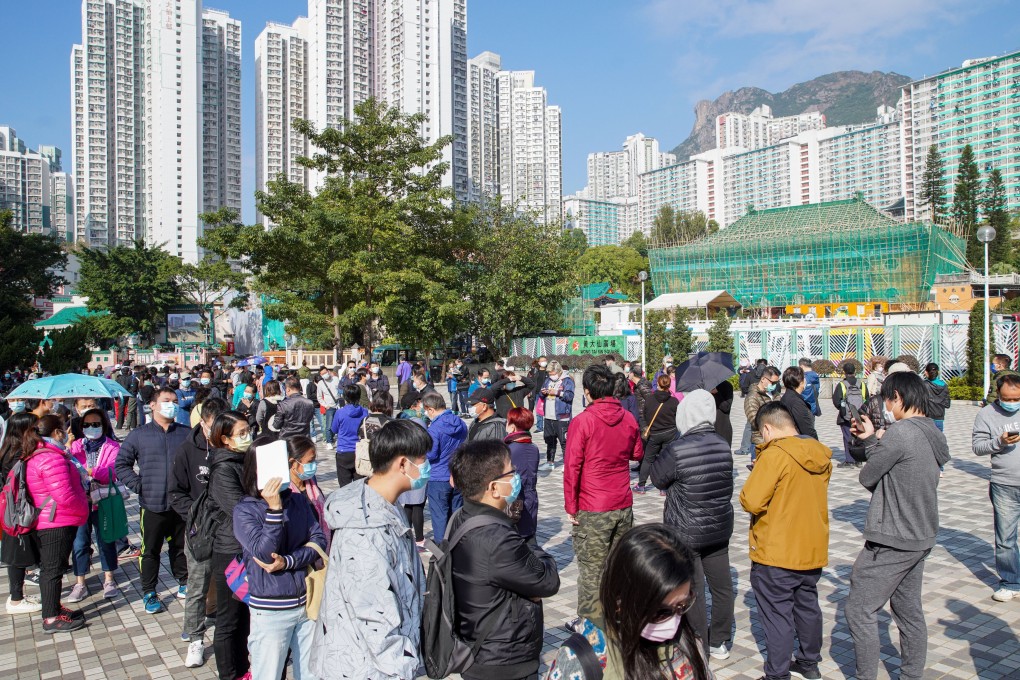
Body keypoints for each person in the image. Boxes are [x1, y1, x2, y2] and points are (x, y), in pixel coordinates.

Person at [848, 372, 951, 680]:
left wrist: (872, 442)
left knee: (859, 610)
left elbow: (869, 477)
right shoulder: (932, 431)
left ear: (899, 399)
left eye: (887, 400)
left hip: (893, 535)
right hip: (920, 534)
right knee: (908, 613)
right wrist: (870, 439)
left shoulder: (901, 432)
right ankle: (911, 675)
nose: (885, 407)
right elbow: (891, 470)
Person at [310, 420, 429, 679]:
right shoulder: (365, 528)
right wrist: (402, 668)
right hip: (366, 666)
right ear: (402, 464)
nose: (426, 466)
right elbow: (373, 614)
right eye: (422, 459)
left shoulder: (383, 504)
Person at [447, 439, 561, 680]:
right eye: (512, 471)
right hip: (502, 661)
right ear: (494, 488)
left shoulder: (461, 516)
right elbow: (547, 581)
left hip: (477, 646)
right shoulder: (497, 539)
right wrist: (536, 551)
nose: (516, 476)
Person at [544, 523, 711, 680]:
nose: (674, 621)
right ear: (620, 602)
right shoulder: (582, 659)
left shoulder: (688, 640)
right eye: (660, 612)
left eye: (683, 605)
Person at [740, 402, 832, 680]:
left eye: (762, 434)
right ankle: (808, 662)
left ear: (767, 428)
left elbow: (751, 501)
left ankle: (777, 674)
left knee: (777, 615)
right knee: (807, 606)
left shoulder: (775, 456)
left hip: (777, 550)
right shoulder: (819, 453)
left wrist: (759, 471)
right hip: (811, 546)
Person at [650, 389, 735, 661]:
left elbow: (657, 478)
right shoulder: (723, 445)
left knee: (693, 589)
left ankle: (698, 641)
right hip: (719, 526)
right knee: (722, 587)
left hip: (686, 529)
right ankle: (719, 640)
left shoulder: (678, 448)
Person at [233, 446, 327, 680]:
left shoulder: (297, 500)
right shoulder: (245, 510)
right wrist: (274, 510)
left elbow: (318, 540)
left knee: (310, 673)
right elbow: (265, 554)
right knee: (268, 674)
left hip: (307, 603)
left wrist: (288, 561)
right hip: (271, 608)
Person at [564, 364, 644, 625]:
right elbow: (636, 454)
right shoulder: (629, 418)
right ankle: (617, 616)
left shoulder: (583, 421)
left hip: (593, 504)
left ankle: (589, 623)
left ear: (587, 392)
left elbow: (572, 466)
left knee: (591, 568)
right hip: (622, 502)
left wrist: (571, 506)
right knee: (618, 565)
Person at [115, 387, 190, 614]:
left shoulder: (187, 433)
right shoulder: (139, 435)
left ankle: (184, 582)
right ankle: (149, 591)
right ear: (153, 405)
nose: (172, 405)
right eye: (167, 400)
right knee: (150, 551)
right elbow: (122, 465)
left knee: (181, 547)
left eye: (175, 401)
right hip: (153, 504)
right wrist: (140, 486)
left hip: (181, 504)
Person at [169, 396, 227, 667]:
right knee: (197, 585)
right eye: (213, 428)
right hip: (199, 531)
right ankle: (194, 637)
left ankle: (223, 623)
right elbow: (175, 492)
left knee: (229, 583)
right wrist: (195, 516)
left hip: (228, 530)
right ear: (202, 423)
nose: (218, 434)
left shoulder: (234, 446)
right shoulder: (187, 451)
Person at [23, 415, 90, 632]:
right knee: (52, 570)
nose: (65, 432)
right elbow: (64, 495)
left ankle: (54, 607)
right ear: (56, 433)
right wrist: (84, 506)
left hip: (55, 518)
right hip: (56, 520)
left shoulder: (46, 453)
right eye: (63, 428)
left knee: (55, 568)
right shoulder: (51, 458)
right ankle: (51, 618)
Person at [206, 411, 253, 680]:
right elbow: (240, 508)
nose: (248, 436)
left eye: (248, 430)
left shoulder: (243, 460)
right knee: (228, 619)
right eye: (242, 433)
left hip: (245, 547)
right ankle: (230, 673)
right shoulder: (223, 468)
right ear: (225, 439)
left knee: (244, 617)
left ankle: (243, 669)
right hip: (229, 551)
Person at [67, 408, 121, 603]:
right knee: (80, 542)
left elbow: (113, 472)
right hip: (80, 501)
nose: (92, 428)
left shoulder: (112, 446)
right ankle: (80, 582)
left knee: (105, 539)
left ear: (104, 425)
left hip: (103, 500)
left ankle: (109, 579)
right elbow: (66, 468)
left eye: (96, 424)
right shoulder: (74, 446)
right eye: (87, 424)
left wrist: (91, 471)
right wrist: (67, 446)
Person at [976, 372, 1020, 602]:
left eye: (1017, 399)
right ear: (998, 394)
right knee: (1005, 538)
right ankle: (1011, 581)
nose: (1012, 403)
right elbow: (978, 447)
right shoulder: (987, 414)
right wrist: (999, 442)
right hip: (1004, 483)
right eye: (1007, 398)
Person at [0, 413, 42, 615]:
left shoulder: (8, 450)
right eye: (34, 428)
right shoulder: (20, 455)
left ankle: (18, 596)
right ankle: (16, 600)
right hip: (20, 512)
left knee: (16, 554)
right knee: (18, 556)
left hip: (12, 511)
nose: (37, 431)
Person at [422, 392, 468, 541]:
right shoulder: (460, 423)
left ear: (430, 409)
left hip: (438, 476)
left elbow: (432, 454)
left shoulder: (434, 428)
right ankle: (458, 544)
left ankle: (442, 550)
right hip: (457, 474)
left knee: (439, 516)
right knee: (456, 514)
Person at [634, 374, 680, 495]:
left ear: (658, 384)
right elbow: (678, 419)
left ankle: (642, 485)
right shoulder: (674, 401)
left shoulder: (650, 400)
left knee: (648, 459)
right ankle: (663, 487)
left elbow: (644, 415)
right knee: (665, 460)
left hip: (654, 434)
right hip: (670, 433)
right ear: (669, 385)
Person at [286, 436, 331, 552]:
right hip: (298, 554)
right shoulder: (285, 493)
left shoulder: (313, 487)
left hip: (320, 551)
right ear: (293, 463)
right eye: (310, 461)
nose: (313, 465)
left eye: (314, 460)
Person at [504, 407, 540, 543]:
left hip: (514, 503)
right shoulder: (534, 448)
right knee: (530, 539)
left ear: (512, 427)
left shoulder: (509, 450)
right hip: (531, 498)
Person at [539, 361, 574, 471]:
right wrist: (543, 392)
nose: (551, 375)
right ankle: (550, 462)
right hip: (549, 416)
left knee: (564, 442)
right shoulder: (547, 380)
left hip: (562, 416)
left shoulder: (567, 381)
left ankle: (567, 464)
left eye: (553, 373)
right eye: (549, 373)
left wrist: (558, 392)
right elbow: (540, 394)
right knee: (549, 440)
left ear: (559, 372)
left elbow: (570, 396)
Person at [331, 384, 369, 488]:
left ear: (345, 396)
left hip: (343, 451)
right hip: (360, 452)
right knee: (359, 486)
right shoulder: (365, 412)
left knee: (344, 487)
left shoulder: (340, 413)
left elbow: (334, 429)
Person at [833, 360, 868, 468]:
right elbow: (867, 399)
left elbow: (836, 401)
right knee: (859, 436)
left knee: (848, 436)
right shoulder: (861, 384)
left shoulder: (842, 384)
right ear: (855, 371)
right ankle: (859, 460)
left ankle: (849, 460)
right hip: (859, 415)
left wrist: (843, 409)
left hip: (846, 416)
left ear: (844, 371)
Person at [745, 366, 781, 464]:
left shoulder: (775, 394)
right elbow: (754, 421)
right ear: (763, 379)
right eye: (772, 382)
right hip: (760, 443)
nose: (774, 385)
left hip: (776, 441)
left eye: (776, 383)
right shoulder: (753, 396)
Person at [779, 365, 818, 440]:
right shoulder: (795, 401)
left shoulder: (788, 396)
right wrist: (816, 445)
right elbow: (806, 428)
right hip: (799, 442)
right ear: (800, 382)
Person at [273, 376, 316, 442]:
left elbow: (276, 425)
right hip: (304, 439)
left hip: (287, 439)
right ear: (300, 387)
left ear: (288, 389)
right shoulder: (310, 403)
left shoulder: (283, 404)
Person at [316, 366, 341, 445]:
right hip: (329, 406)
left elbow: (340, 390)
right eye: (322, 374)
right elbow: (319, 397)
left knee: (339, 424)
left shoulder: (336, 379)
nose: (324, 375)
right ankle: (329, 441)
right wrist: (325, 405)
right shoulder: (321, 383)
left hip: (338, 405)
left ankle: (337, 439)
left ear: (328, 371)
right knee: (328, 426)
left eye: (325, 373)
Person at [924, 362, 950, 433]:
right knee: (938, 441)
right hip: (939, 418)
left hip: (927, 418)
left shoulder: (924, 385)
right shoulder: (944, 385)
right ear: (938, 372)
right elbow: (947, 404)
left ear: (926, 372)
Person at [628, 366, 653, 431]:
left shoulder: (642, 385)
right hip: (641, 415)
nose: (628, 374)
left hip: (644, 417)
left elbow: (650, 400)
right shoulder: (637, 385)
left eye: (629, 372)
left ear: (632, 373)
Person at [115, 365, 139, 430]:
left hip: (121, 395)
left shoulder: (118, 378)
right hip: (130, 394)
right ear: (128, 372)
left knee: (121, 410)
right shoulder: (131, 378)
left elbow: (116, 387)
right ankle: (133, 424)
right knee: (131, 410)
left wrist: (116, 396)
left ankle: (119, 425)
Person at [530, 356, 549, 432]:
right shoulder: (535, 371)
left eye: (545, 360)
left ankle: (548, 426)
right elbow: (531, 381)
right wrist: (530, 391)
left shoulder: (549, 371)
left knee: (548, 410)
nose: (543, 362)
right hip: (538, 393)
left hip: (548, 393)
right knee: (539, 410)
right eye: (542, 361)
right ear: (539, 362)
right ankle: (540, 427)